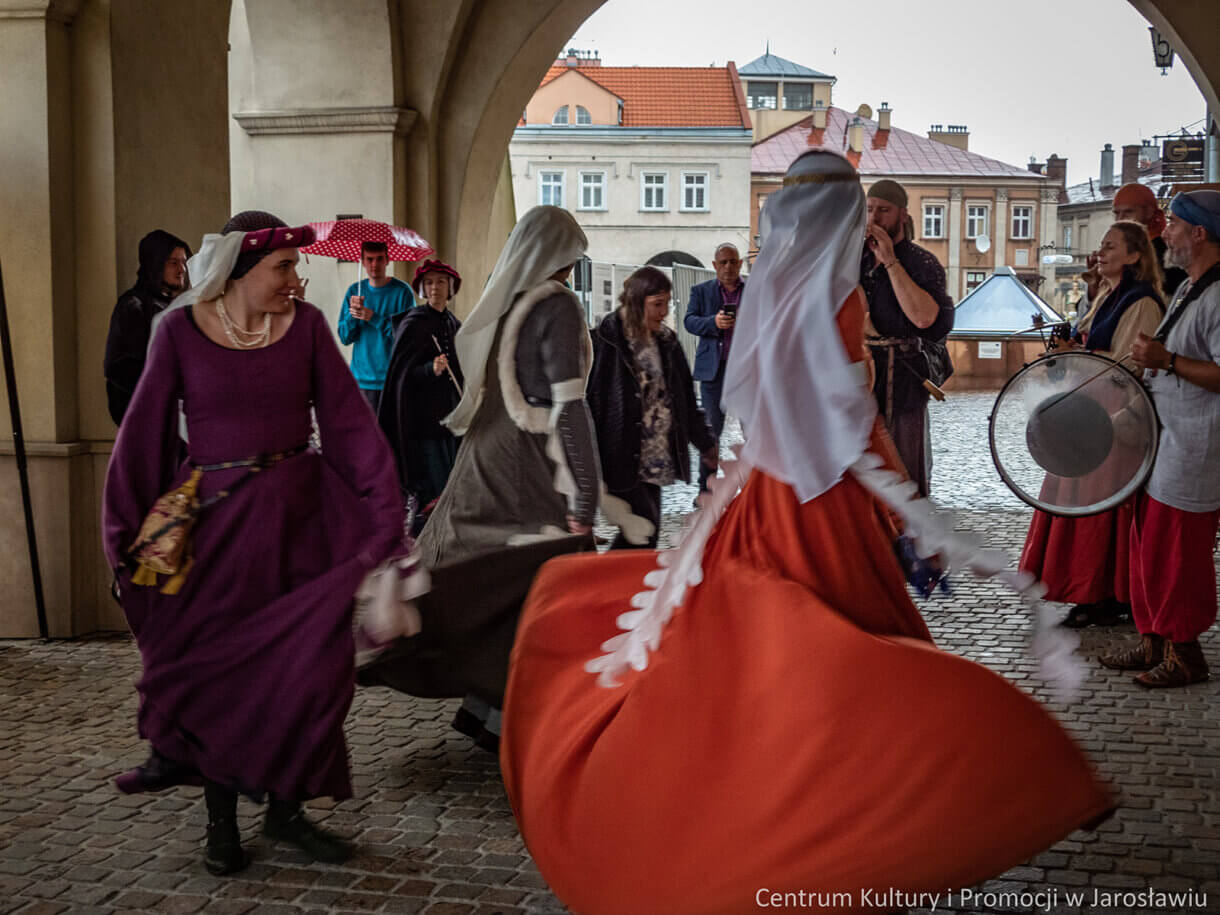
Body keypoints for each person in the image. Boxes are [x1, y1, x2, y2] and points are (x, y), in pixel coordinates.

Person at [500, 151, 1111, 915]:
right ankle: (893, 796)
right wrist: (899, 503)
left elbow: (759, 405)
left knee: (753, 648)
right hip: (822, 503)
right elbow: (853, 418)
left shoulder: (775, 283)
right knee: (839, 654)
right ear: (843, 214)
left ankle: (758, 776)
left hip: (766, 493)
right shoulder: (836, 289)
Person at [102, 211, 406, 875]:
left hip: (301, 521)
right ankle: (221, 821)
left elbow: (352, 427)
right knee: (224, 671)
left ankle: (289, 809)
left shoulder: (309, 331)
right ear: (241, 268)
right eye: (285, 267)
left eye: (297, 267)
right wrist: (127, 534)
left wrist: (386, 514)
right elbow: (144, 438)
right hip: (216, 528)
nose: (297, 279)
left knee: (310, 667)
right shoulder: (178, 332)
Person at [1102, 189, 1220, 687]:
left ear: (1199, 234)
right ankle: (1154, 639)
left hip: (1195, 446)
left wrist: (1166, 361)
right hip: (1167, 437)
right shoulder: (1195, 287)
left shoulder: (1217, 295)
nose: (1164, 233)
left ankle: (1185, 653)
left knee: (1178, 554)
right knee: (1150, 545)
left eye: (1173, 224)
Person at [1021, 222, 1165, 629]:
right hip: (1091, 407)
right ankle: (1087, 588)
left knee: (1101, 507)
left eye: (1111, 246)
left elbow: (1129, 365)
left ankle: (1103, 592)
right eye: (1101, 246)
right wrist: (1071, 352)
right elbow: (1096, 351)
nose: (1100, 253)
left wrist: (1078, 356)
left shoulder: (1142, 301)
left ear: (1135, 256)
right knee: (1081, 502)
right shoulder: (1107, 294)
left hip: (1113, 413)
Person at [587, 267, 718, 549]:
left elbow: (684, 400)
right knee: (643, 531)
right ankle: (605, 586)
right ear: (636, 302)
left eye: (667, 304)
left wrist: (706, 445)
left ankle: (616, 586)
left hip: (655, 458)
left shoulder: (667, 343)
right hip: (620, 455)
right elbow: (592, 403)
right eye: (657, 304)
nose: (664, 311)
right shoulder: (603, 341)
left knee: (646, 532)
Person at [860, 178, 955, 496]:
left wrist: (889, 260)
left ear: (902, 214)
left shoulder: (920, 262)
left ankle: (907, 538)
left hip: (903, 381)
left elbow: (924, 318)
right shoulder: (854, 259)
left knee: (903, 468)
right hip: (859, 379)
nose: (874, 219)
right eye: (869, 209)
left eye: (883, 210)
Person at [378, 259, 464, 529]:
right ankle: (424, 537)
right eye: (429, 282)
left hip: (451, 418)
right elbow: (401, 377)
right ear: (422, 289)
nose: (435, 287)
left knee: (451, 481)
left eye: (440, 281)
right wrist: (429, 369)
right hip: (425, 423)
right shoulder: (414, 323)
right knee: (432, 485)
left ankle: (443, 535)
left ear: (450, 287)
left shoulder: (453, 323)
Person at [104, 230, 191, 425]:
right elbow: (118, 368)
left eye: (184, 262)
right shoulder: (133, 306)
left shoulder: (179, 306)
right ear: (155, 264)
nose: (182, 270)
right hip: (144, 419)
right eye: (173, 263)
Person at [682, 243, 744, 492]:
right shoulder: (702, 291)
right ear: (715, 266)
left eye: (732, 261)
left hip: (746, 371)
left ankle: (754, 491)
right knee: (711, 433)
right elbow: (689, 321)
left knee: (753, 430)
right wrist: (714, 322)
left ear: (740, 264)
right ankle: (705, 490)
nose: (728, 267)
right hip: (713, 372)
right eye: (723, 262)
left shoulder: (753, 291)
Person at [338, 241, 413, 413]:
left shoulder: (402, 292)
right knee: (365, 437)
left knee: (391, 438)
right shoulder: (354, 292)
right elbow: (344, 338)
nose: (374, 265)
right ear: (362, 262)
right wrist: (353, 315)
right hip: (361, 380)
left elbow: (408, 339)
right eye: (369, 259)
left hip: (393, 379)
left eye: (379, 259)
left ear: (388, 260)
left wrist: (374, 318)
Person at [1091, 182, 1188, 300]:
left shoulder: (1169, 254)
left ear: (1148, 212)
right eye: (1116, 213)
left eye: (1128, 212)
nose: (1120, 219)